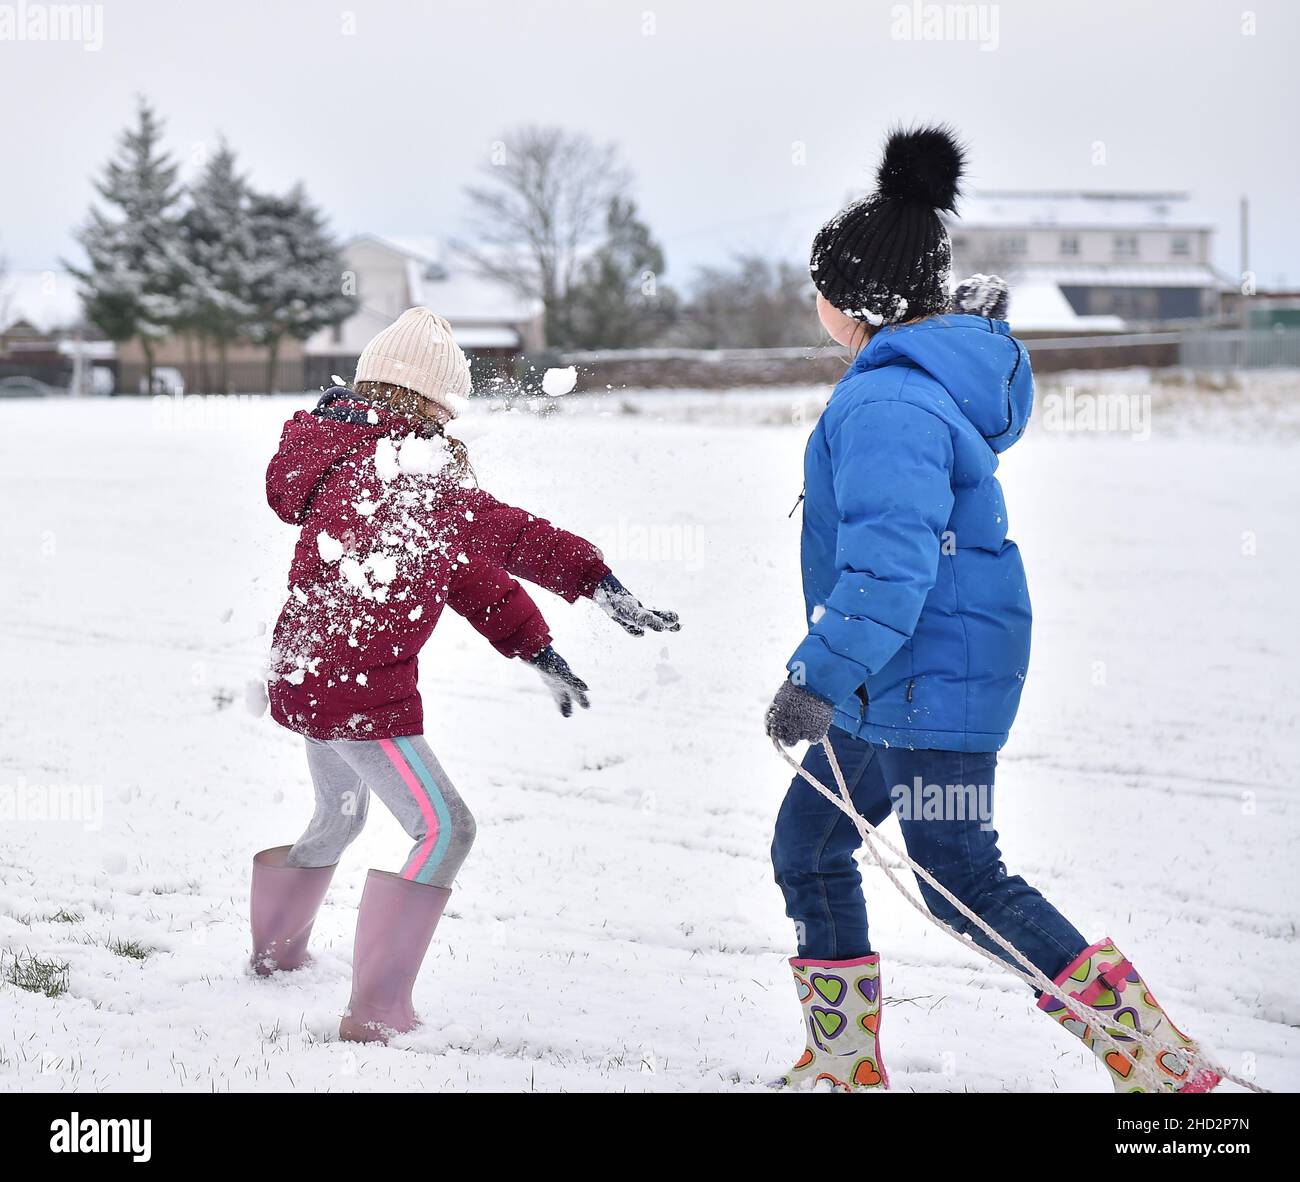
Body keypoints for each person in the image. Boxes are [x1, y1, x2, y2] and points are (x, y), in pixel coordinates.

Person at [764, 127, 1217, 1094]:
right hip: (892, 683)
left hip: (923, 683)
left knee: (960, 875)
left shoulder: (888, 404)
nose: (814, 300)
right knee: (807, 842)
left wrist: (815, 679)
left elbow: (890, 572)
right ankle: (844, 1064)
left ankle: (1157, 1062)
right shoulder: (905, 386)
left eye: (820, 283)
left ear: (855, 300)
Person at [250, 307, 678, 1043]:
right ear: (429, 401)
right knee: (446, 828)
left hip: (307, 673)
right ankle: (377, 1013)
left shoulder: (344, 456)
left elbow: (466, 572)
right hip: (359, 693)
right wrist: (597, 579)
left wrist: (537, 648)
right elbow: (510, 533)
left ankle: (273, 958)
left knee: (339, 817)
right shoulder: (408, 475)